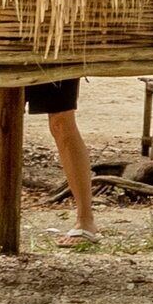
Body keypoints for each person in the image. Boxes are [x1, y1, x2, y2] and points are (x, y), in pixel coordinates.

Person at [22, 79, 100, 246]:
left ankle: (85, 220)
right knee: (1, 117)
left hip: (54, 55)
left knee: (61, 121)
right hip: (5, 54)